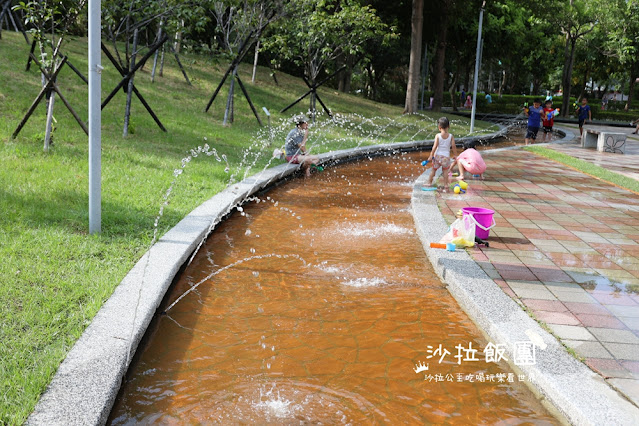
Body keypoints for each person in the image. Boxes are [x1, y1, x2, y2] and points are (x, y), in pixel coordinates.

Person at [426, 116, 458, 191]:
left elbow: (434, 146)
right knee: (445, 171)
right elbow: (453, 146)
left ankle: (429, 182)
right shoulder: (451, 136)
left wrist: (431, 155)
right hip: (446, 157)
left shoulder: (438, 136)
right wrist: (455, 155)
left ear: (439, 127)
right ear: (449, 126)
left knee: (433, 170)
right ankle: (446, 184)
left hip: (437, 156)